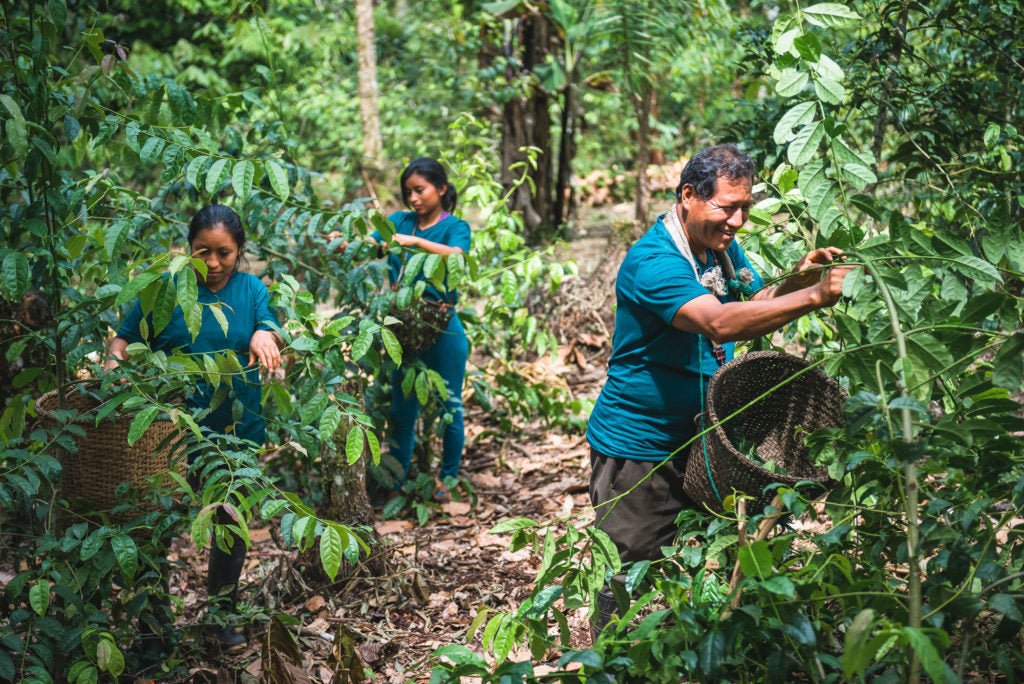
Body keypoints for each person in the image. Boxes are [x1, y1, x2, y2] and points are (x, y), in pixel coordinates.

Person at [586, 144, 852, 631]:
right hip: (643, 448)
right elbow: (722, 323)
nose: (738, 220)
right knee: (625, 573)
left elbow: (753, 299)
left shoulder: (719, 246)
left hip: (706, 437)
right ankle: (607, 662)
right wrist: (815, 297)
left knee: (703, 563)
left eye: (745, 207)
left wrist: (798, 280)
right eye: (727, 206)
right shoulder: (654, 261)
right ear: (688, 195)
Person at [106, 204, 282, 650]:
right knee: (155, 525)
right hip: (168, 435)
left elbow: (269, 326)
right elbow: (125, 338)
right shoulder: (167, 289)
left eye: (224, 252)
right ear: (189, 249)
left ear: (239, 250)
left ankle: (221, 616)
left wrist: (265, 335)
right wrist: (111, 366)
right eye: (202, 251)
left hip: (235, 436)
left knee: (230, 523)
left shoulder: (249, 289)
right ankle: (152, 631)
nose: (213, 263)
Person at [330, 158, 471, 501]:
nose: (414, 199)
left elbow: (457, 256)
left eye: (420, 190)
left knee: (449, 405)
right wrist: (342, 242)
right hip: (403, 329)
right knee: (401, 409)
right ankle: (395, 482)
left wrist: (415, 243)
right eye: (408, 192)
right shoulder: (397, 222)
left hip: (443, 328)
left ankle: (447, 480)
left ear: (441, 188)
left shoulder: (456, 227)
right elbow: (369, 245)